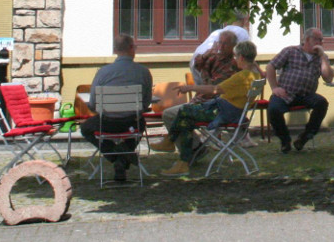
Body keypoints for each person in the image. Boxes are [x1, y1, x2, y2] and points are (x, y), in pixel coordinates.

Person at [155, 40, 262, 175]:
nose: (235, 60)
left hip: (223, 113)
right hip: (234, 113)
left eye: (236, 57)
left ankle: (170, 141)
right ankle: (183, 163)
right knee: (185, 121)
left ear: (241, 57)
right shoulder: (255, 75)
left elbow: (214, 89)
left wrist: (190, 87)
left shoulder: (241, 77)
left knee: (184, 110)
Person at [80, 32, 153, 182]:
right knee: (142, 123)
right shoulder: (144, 72)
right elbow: (146, 104)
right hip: (132, 122)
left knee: (86, 128)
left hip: (106, 122)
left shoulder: (103, 72)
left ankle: (113, 154)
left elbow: (93, 104)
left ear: (115, 50)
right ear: (132, 48)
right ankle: (124, 154)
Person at [265, 28, 334, 153]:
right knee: (273, 109)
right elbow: (270, 66)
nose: (321, 42)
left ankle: (305, 137)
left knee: (322, 103)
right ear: (307, 39)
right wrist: (275, 87)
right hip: (286, 93)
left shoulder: (320, 58)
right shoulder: (291, 51)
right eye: (318, 39)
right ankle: (285, 141)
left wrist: (323, 56)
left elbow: (328, 78)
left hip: (306, 95)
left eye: (322, 40)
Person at [161, 28, 239, 136]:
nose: (220, 47)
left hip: (213, 107)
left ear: (233, 47)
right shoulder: (215, 58)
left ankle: (183, 144)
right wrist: (205, 55)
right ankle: (192, 147)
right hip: (202, 102)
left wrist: (191, 87)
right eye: (219, 43)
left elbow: (212, 89)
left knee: (173, 114)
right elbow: (197, 64)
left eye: (225, 44)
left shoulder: (231, 65)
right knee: (180, 117)